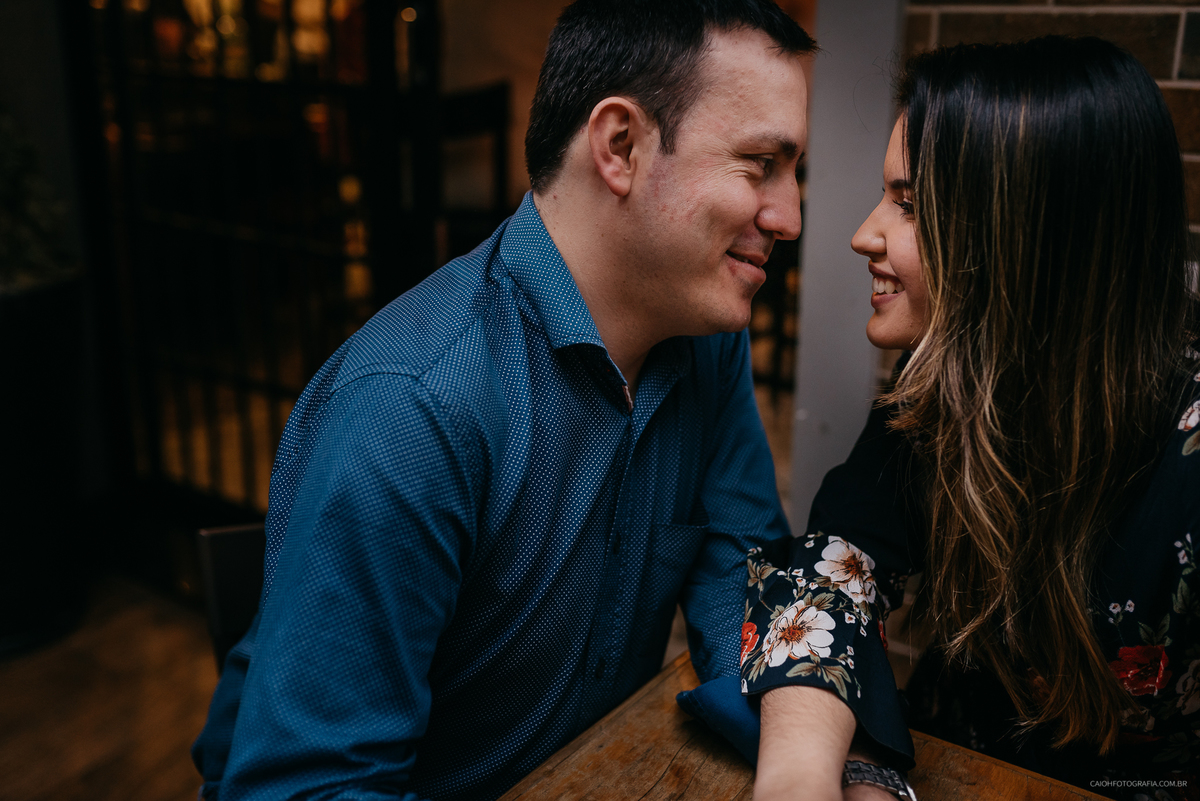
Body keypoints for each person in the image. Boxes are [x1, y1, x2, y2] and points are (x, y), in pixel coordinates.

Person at [191, 2, 814, 799]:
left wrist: (818, 758)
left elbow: (747, 586)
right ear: (620, 146)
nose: (789, 214)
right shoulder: (412, 406)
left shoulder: (704, 339)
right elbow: (307, 786)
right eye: (760, 162)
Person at [679, 36, 1200, 801]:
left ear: (1028, 238)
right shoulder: (943, 380)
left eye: (910, 206)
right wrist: (805, 778)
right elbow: (834, 571)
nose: (863, 235)